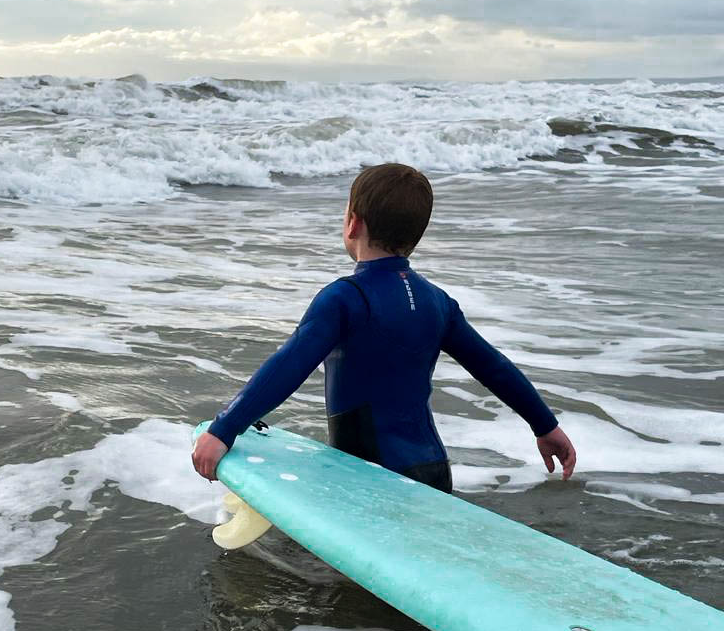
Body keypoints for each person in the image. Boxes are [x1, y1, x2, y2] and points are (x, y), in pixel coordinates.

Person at [192, 163, 576, 491]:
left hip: (370, 474)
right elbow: (493, 367)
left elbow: (288, 365)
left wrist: (224, 429)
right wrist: (545, 426)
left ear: (353, 223)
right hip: (433, 471)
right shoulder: (438, 301)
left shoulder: (345, 297)